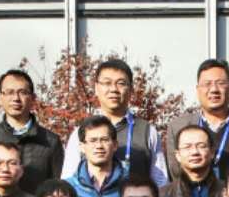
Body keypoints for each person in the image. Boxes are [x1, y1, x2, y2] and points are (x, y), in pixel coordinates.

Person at [59, 59, 168, 187]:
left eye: (121, 83)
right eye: (107, 83)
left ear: (131, 89)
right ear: (96, 88)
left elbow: (161, 183)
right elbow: (67, 183)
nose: (113, 89)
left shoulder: (147, 132)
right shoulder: (81, 132)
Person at [162, 58, 229, 182]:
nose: (214, 90)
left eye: (221, 83)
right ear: (198, 90)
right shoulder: (178, 127)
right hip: (192, 194)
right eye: (207, 84)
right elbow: (175, 173)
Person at [0, 69, 63, 194]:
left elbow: (57, 187)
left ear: (33, 98)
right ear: (0, 98)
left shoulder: (50, 141)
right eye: (9, 92)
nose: (16, 98)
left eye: (22, 92)